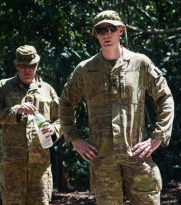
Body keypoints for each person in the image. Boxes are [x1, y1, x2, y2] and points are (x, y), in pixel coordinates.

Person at [59, 10, 174, 205]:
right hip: (102, 158)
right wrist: (75, 139)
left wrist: (158, 137)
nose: (106, 34)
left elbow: (165, 98)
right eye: (100, 30)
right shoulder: (85, 70)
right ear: (95, 34)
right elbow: (65, 103)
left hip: (137, 155)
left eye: (110, 29)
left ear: (121, 30)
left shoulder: (140, 64)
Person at [0, 45, 61, 204]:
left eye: (31, 66)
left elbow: (64, 119)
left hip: (40, 167)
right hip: (12, 166)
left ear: (37, 65)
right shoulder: (4, 87)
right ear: (16, 65)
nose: (27, 70)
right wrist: (15, 110)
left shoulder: (47, 90)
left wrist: (54, 128)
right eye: (23, 66)